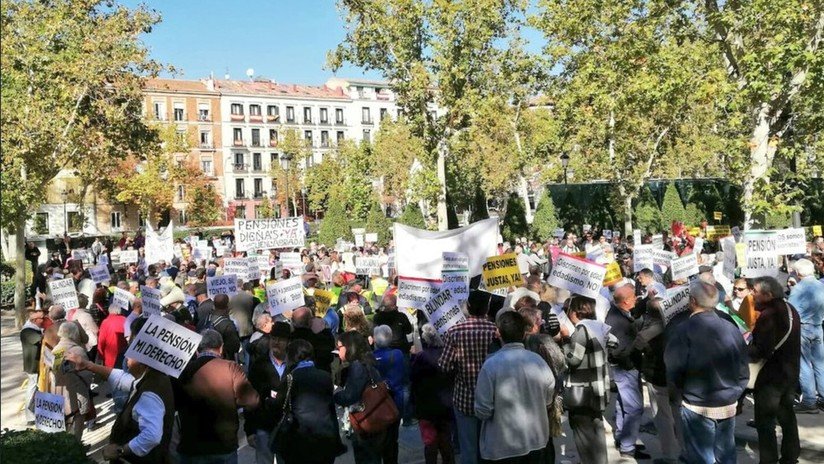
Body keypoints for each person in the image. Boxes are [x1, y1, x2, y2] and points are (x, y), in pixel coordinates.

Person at [67, 317, 174, 463]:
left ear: (144, 360)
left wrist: (121, 450)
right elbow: (122, 379)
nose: (126, 355)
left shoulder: (150, 392)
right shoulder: (152, 377)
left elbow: (151, 436)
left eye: (132, 351)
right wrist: (88, 365)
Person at [665, 281, 749, 464]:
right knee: (726, 455)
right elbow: (744, 367)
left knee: (702, 457)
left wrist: (677, 398)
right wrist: (736, 393)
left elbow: (673, 369)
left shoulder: (683, 330)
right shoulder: (731, 328)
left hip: (697, 404)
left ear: (692, 301)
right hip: (725, 401)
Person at [475, 311, 554, 463]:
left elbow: (482, 410)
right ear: (524, 334)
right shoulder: (538, 361)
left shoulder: (490, 366)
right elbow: (548, 398)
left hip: (501, 448)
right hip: (536, 442)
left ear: (499, 334)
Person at [174, 329, 260, 463]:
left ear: (197, 350)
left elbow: (172, 401)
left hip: (191, 445)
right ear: (221, 348)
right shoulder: (231, 368)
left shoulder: (183, 370)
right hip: (223, 445)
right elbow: (251, 400)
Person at [438, 290, 499, 464]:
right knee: (489, 447)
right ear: (486, 308)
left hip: (465, 398)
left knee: (468, 448)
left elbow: (444, 365)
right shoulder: (495, 330)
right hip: (492, 398)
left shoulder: (455, 331)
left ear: (468, 307)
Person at [749, 276, 801, 463]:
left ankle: (768, 459)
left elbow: (762, 349)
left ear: (768, 294)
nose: (752, 294)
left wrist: (744, 348)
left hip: (772, 376)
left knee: (765, 421)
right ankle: (790, 455)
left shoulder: (770, 314)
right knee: (787, 415)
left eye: (755, 291)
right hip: (790, 372)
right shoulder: (790, 309)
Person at [272, 339, 346, 464]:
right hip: (325, 435)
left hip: (300, 437)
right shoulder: (324, 376)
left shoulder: (290, 379)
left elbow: (279, 404)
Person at [561, 295, 614, 464]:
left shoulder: (581, 330)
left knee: (583, 436)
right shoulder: (600, 326)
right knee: (597, 431)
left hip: (582, 392)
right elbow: (615, 343)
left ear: (576, 312)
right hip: (598, 389)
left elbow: (573, 359)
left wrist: (565, 340)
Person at [605, 285, 650, 459]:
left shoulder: (619, 313)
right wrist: (637, 345)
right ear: (625, 301)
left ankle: (622, 438)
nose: (635, 300)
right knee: (634, 408)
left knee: (623, 404)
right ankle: (627, 446)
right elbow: (617, 351)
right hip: (626, 368)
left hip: (627, 368)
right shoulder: (617, 320)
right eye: (633, 298)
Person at [634, 298, 681, 463]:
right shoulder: (679, 324)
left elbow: (637, 345)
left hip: (657, 376)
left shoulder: (649, 331)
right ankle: (684, 452)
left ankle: (669, 456)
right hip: (677, 377)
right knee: (679, 415)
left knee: (663, 417)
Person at [334, 331, 388, 464]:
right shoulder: (367, 359)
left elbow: (350, 396)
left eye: (339, 347)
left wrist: (336, 394)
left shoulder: (358, 366)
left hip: (365, 420)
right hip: (374, 417)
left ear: (349, 347)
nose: (337, 352)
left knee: (366, 458)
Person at [245, 321, 290, 464]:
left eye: (281, 339)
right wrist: (250, 429)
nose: (276, 342)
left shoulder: (294, 364)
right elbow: (250, 398)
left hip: (288, 428)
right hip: (264, 426)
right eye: (273, 338)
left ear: (288, 342)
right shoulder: (259, 365)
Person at [411, 323, 455, 464]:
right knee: (446, 441)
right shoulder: (447, 354)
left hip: (426, 407)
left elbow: (413, 378)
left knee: (430, 443)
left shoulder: (420, 358)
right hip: (445, 403)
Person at [788, 258, 824, 412]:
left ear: (797, 272)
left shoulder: (799, 289)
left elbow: (791, 312)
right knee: (820, 363)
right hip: (818, 327)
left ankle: (809, 401)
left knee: (804, 364)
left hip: (803, 328)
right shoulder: (821, 286)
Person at [52, 321, 95, 440]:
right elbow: (87, 373)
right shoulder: (78, 351)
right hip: (78, 394)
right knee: (78, 424)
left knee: (66, 424)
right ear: (75, 333)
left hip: (62, 393)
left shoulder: (56, 349)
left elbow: (54, 373)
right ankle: (76, 449)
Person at [373, 325, 407, 464]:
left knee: (378, 438)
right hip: (395, 401)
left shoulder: (371, 358)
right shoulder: (397, 354)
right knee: (393, 439)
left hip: (377, 404)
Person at [290, 306, 336, 372]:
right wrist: (325, 330)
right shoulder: (320, 338)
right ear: (309, 321)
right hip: (319, 375)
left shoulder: (289, 339)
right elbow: (329, 355)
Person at [20, 308, 45, 425]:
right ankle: (30, 416)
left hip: (38, 363)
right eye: (42, 318)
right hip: (33, 366)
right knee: (32, 389)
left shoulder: (35, 328)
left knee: (37, 389)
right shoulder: (27, 331)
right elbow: (41, 340)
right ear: (35, 320)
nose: (43, 320)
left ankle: (38, 411)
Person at [208, 294, 241, 362]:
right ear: (228, 305)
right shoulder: (227, 324)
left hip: (206, 361)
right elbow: (234, 347)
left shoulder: (204, 320)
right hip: (223, 360)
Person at [97, 303, 128, 369]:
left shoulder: (106, 322)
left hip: (110, 357)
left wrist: (100, 355)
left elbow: (101, 341)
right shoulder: (125, 320)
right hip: (124, 354)